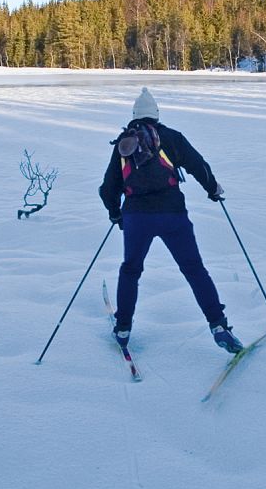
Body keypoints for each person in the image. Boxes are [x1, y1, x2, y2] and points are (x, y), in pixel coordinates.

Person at [99, 87, 243, 354]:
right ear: (156, 114)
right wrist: (212, 190)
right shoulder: (171, 137)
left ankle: (123, 328)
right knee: (194, 269)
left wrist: (115, 212)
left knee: (131, 270)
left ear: (134, 116)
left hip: (137, 219)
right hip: (173, 215)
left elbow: (108, 188)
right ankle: (218, 325)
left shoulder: (124, 144)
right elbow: (198, 165)